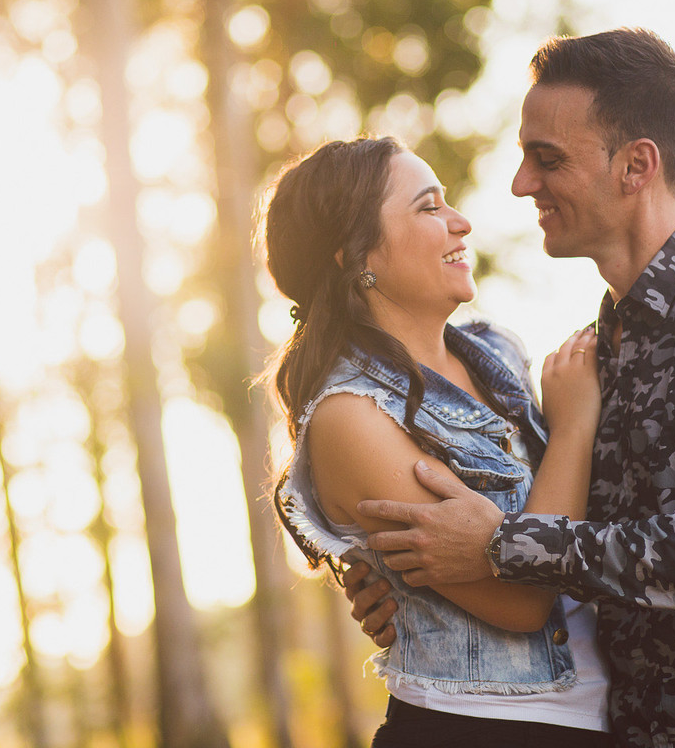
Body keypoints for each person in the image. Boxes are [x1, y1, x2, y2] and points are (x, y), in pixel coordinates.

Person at [346, 28, 675, 746]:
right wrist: (406, 585)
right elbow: (554, 530)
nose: (521, 183)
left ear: (636, 167)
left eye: (548, 158)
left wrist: (505, 547)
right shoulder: (587, 357)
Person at [260, 135, 613, 745]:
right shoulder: (351, 418)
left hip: (602, 716)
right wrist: (575, 427)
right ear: (353, 254)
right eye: (428, 207)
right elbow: (523, 604)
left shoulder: (497, 349)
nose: (461, 221)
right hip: (482, 728)